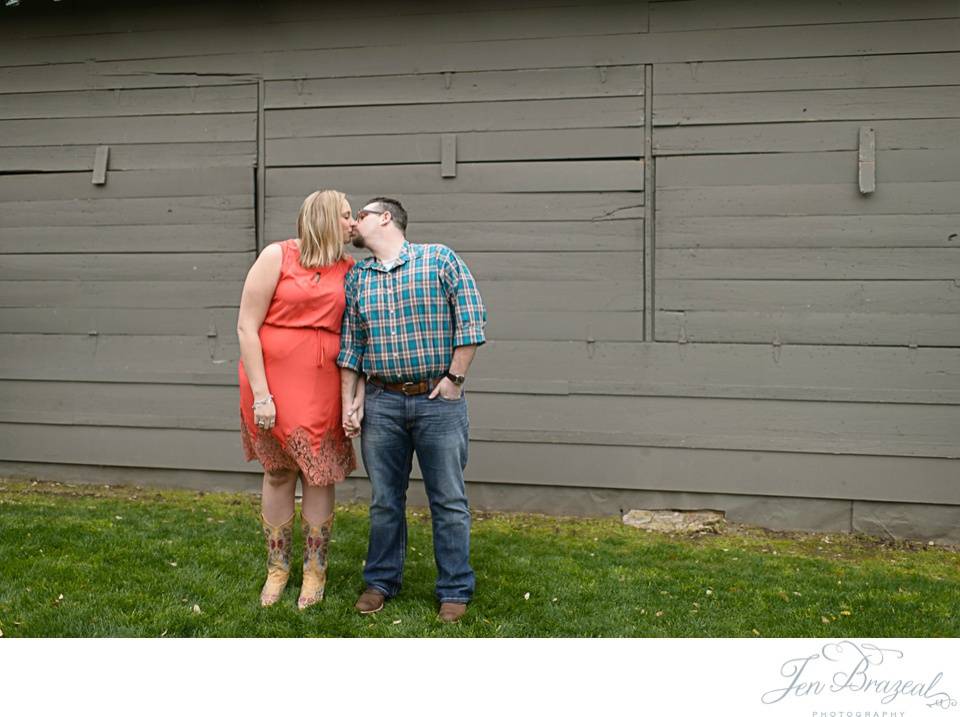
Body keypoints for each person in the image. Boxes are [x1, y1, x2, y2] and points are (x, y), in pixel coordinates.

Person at [337, 196, 486, 623]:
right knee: (385, 501)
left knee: (449, 500)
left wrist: (455, 380)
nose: (353, 223)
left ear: (385, 218)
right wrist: (351, 402)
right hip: (382, 403)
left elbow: (471, 320)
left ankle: (455, 589)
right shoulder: (358, 277)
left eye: (359, 215)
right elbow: (353, 346)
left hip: (437, 402)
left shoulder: (439, 259)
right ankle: (381, 581)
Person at [237, 189, 359, 609]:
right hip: (270, 382)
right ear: (325, 218)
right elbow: (246, 327)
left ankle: (314, 572)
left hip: (323, 382)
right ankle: (277, 569)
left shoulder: (350, 269)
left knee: (320, 475)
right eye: (345, 216)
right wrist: (261, 395)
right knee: (278, 473)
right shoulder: (277, 257)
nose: (352, 223)